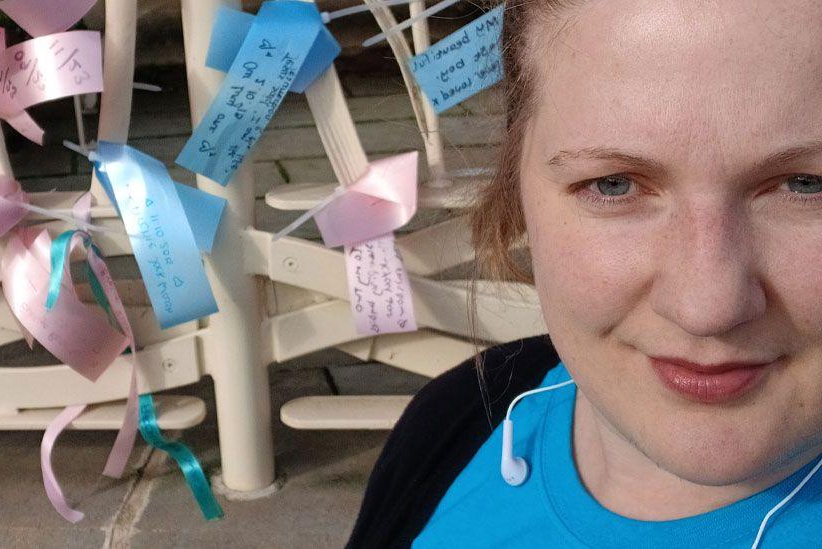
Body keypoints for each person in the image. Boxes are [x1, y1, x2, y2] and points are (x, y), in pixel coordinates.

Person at [347, 1, 822, 547]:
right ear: (515, 182)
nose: (707, 306)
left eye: (806, 185)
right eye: (614, 184)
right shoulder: (462, 414)